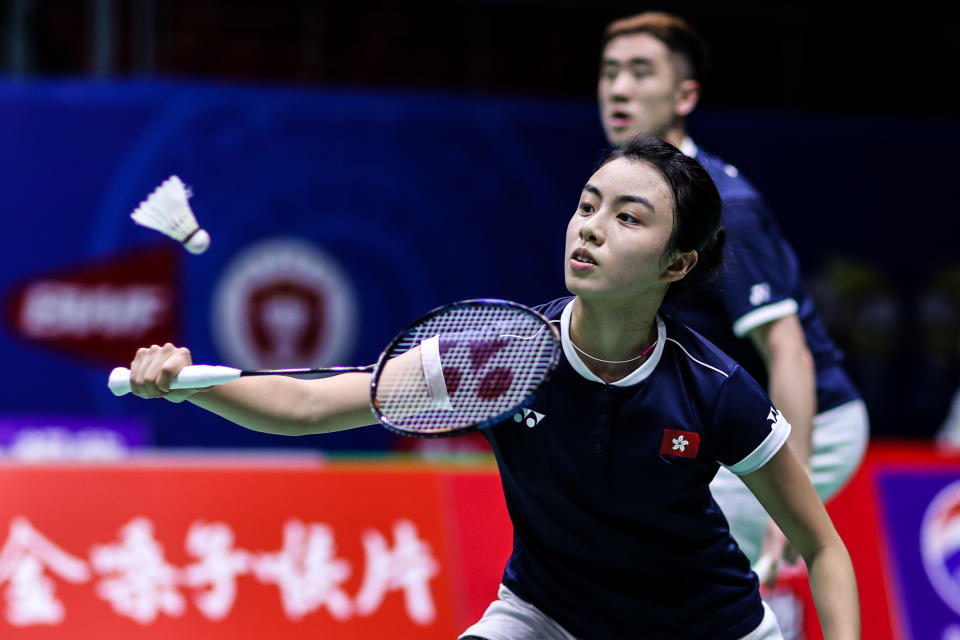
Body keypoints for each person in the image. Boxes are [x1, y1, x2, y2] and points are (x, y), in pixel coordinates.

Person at [127, 137, 859, 639]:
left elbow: (821, 547)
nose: (593, 228)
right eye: (588, 204)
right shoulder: (503, 356)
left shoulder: (713, 390)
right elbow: (315, 401)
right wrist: (191, 386)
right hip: (549, 615)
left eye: (628, 218)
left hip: (705, 626)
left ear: (676, 265)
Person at [596, 11, 869, 574]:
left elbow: (787, 350)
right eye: (610, 71)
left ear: (684, 94)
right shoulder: (623, 196)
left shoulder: (725, 208)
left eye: (641, 72)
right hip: (726, 421)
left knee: (675, 569)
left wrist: (788, 491)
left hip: (808, 422)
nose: (619, 88)